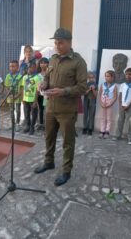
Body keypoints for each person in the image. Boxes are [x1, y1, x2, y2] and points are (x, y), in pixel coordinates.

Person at [34, 28, 87, 186]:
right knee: (48, 137)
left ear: (69, 43)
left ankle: (66, 171)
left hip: (67, 110)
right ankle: (49, 162)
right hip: (50, 107)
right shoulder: (53, 59)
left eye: (61, 43)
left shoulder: (78, 62)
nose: (57, 45)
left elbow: (83, 87)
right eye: (56, 42)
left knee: (67, 142)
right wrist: (43, 84)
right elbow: (48, 79)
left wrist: (63, 91)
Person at [112, 68, 131, 145]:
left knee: (130, 122)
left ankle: (130, 138)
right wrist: (120, 104)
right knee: (120, 120)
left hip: (130, 107)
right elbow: (120, 95)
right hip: (122, 106)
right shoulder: (122, 85)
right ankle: (117, 135)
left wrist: (129, 105)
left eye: (130, 74)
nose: (128, 76)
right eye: (126, 74)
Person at [22, 61, 40, 135]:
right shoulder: (24, 77)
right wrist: (23, 98)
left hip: (33, 99)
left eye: (31, 67)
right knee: (26, 113)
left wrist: (35, 101)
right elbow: (23, 88)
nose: (29, 69)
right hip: (26, 99)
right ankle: (27, 126)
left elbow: (37, 90)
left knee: (34, 114)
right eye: (28, 67)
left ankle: (32, 126)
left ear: (35, 68)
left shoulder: (37, 78)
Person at [4, 60, 23, 132]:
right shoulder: (8, 76)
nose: (11, 68)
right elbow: (6, 86)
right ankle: (12, 124)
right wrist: (9, 94)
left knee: (18, 110)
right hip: (10, 97)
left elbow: (21, 88)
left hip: (17, 97)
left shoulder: (20, 76)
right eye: (10, 66)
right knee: (12, 111)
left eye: (13, 66)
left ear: (17, 67)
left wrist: (17, 96)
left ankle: (17, 124)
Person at [98, 70, 117, 139]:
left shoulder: (114, 86)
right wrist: (101, 102)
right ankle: (102, 131)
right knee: (102, 117)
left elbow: (115, 96)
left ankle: (107, 131)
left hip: (109, 103)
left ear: (112, 77)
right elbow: (99, 94)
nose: (106, 77)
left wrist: (111, 103)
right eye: (106, 76)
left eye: (108, 76)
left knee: (109, 118)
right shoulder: (102, 85)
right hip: (103, 103)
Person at [82, 71, 97, 136]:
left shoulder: (95, 84)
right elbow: (84, 93)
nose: (91, 79)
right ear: (88, 78)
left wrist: (93, 89)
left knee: (91, 115)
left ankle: (90, 128)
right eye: (90, 78)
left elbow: (96, 95)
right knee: (85, 114)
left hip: (92, 101)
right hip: (86, 101)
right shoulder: (86, 84)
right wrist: (89, 89)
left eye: (92, 78)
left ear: (94, 78)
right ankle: (85, 127)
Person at [37, 57, 49, 129]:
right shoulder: (38, 74)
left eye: (45, 63)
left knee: (47, 109)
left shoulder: (49, 73)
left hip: (47, 95)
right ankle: (41, 124)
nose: (43, 64)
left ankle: (47, 124)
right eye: (41, 63)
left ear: (48, 64)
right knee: (41, 109)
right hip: (40, 95)